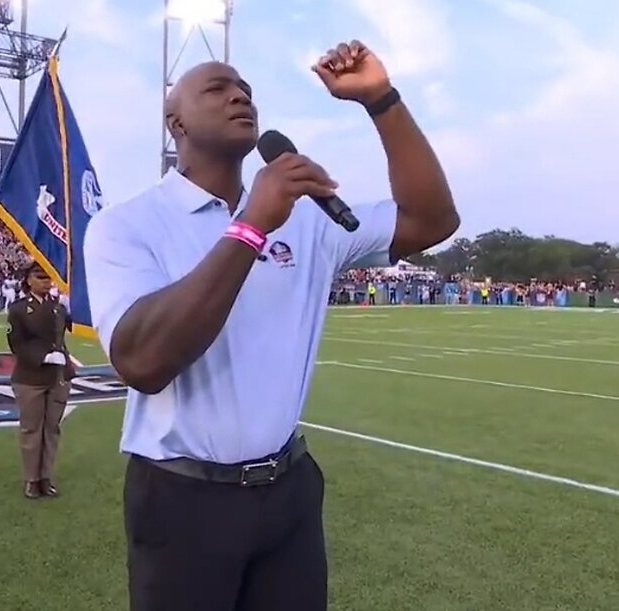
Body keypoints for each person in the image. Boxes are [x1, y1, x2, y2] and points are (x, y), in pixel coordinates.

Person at [84, 41, 460, 611]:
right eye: (217, 88)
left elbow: (432, 219)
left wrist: (380, 100)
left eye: (246, 90)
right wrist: (252, 224)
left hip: (287, 490)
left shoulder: (308, 218)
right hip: (183, 496)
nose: (240, 95)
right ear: (175, 121)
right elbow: (142, 362)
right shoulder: (127, 224)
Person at [5, 260, 74, 499]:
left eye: (48, 277)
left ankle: (46, 476)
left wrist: (71, 310)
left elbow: (73, 328)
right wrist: (43, 356)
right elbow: (17, 343)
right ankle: (32, 479)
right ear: (29, 280)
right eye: (40, 277)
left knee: (52, 428)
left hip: (58, 376)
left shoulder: (59, 306)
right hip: (31, 375)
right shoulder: (19, 309)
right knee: (32, 428)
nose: (46, 281)